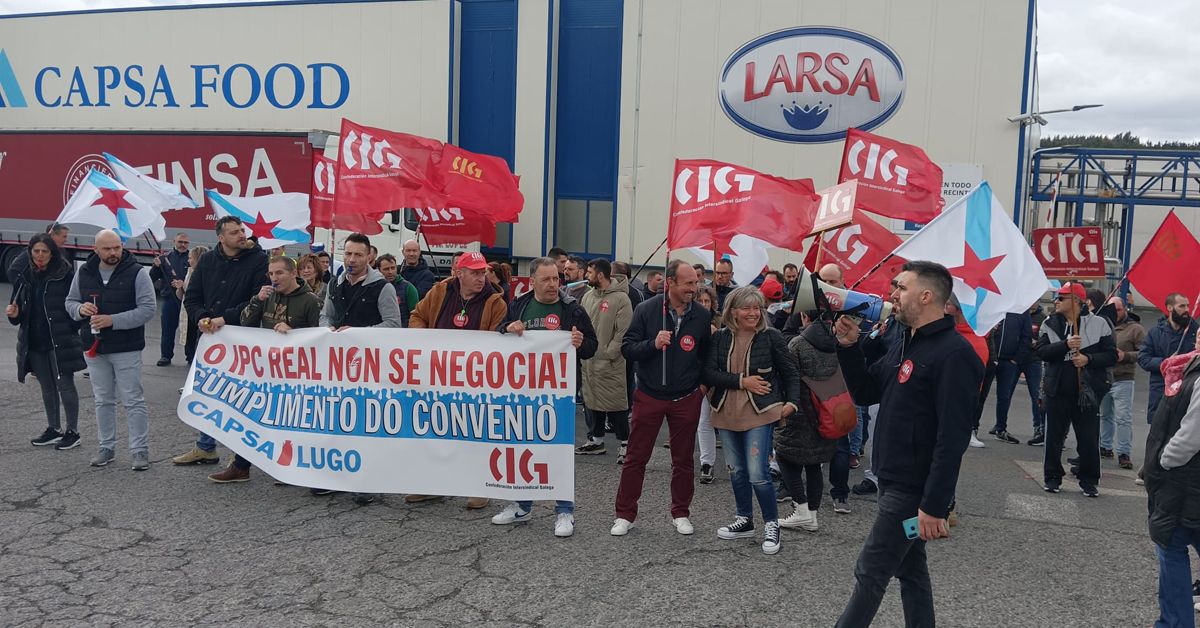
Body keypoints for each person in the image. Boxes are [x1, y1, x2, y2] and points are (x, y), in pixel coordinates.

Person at [831, 261, 984, 627]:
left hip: (912, 493)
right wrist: (849, 346)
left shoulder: (955, 355)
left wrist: (933, 506)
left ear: (927, 295)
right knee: (911, 569)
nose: (892, 295)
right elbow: (867, 391)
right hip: (892, 481)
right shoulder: (903, 342)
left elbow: (952, 439)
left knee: (871, 570)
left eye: (901, 287)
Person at [491, 257, 598, 537]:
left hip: (559, 394)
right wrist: (507, 329)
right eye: (547, 280)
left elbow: (591, 347)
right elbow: (499, 332)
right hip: (524, 391)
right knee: (522, 448)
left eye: (556, 279)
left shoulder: (572, 309)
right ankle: (522, 505)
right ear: (533, 281)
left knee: (558, 450)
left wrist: (580, 342)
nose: (553, 285)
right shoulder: (520, 304)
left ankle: (564, 510)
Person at [611, 260, 710, 537]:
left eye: (695, 282)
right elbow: (628, 348)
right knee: (636, 457)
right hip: (649, 395)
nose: (695, 287)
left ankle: (681, 513)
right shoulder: (646, 309)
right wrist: (652, 344)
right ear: (671, 283)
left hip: (686, 397)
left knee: (683, 460)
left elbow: (707, 355)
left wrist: (702, 386)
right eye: (688, 283)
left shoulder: (701, 316)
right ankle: (624, 514)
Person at [207, 255, 324, 484]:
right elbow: (245, 324)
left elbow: (319, 335)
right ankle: (241, 466)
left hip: (296, 371)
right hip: (266, 368)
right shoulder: (266, 297)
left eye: (279, 273)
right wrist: (257, 301)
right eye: (271, 274)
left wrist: (293, 331)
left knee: (291, 419)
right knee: (251, 413)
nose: (274, 278)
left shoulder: (310, 300)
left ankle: (291, 468)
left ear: (294, 274)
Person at [702, 286, 801, 555]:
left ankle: (771, 525)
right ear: (733, 311)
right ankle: (744, 519)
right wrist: (741, 381)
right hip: (726, 413)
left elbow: (790, 372)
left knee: (758, 473)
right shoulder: (720, 337)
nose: (753, 313)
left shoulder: (772, 337)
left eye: (757, 307)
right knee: (736, 470)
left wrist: (792, 403)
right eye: (746, 308)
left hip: (761, 413)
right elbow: (708, 373)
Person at [407, 251, 508, 509]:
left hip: (474, 380)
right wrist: (425, 339)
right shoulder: (440, 292)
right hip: (438, 376)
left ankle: (479, 486)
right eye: (474, 272)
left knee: (474, 431)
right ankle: (432, 485)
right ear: (459, 273)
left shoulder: (496, 302)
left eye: (482, 272)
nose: (480, 277)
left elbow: (499, 341)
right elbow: (417, 316)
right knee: (434, 430)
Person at [173, 216, 270, 466]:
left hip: (242, 337)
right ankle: (205, 447)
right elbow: (192, 298)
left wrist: (223, 318)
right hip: (209, 338)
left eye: (242, 230)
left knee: (244, 396)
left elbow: (257, 300)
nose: (241, 235)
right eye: (235, 232)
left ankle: (244, 456)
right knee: (207, 393)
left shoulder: (258, 259)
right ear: (221, 237)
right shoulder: (207, 260)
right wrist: (202, 317)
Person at [66, 229, 157, 471]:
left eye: (117, 247)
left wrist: (112, 320)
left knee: (133, 400)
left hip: (126, 347)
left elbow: (148, 309)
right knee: (102, 399)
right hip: (94, 347)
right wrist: (79, 310)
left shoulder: (137, 272)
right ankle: (106, 447)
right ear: (95, 249)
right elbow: (70, 302)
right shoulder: (84, 271)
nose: (114, 252)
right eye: (107, 248)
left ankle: (139, 451)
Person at [1036, 281, 1117, 497]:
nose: (1056, 301)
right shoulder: (1049, 322)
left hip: (1087, 392)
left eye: (1061, 297)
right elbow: (1041, 351)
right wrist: (1065, 345)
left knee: (1089, 439)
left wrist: (1087, 358)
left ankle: (1089, 480)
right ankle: (1052, 477)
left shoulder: (1100, 323)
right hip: (1057, 391)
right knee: (1053, 438)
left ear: (1076, 301)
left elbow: (1111, 355)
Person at [1143, 331, 1200, 628]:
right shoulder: (1190, 365)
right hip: (1186, 484)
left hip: (1184, 483)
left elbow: (1191, 436)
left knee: (1171, 548)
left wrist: (1163, 461)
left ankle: (1175, 623)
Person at [8, 234, 86, 450]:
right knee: (47, 386)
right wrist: (14, 314)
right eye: (36, 251)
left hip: (59, 339)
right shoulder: (26, 275)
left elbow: (76, 305)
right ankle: (53, 428)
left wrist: (71, 330)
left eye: (45, 252)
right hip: (34, 340)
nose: (40, 256)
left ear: (52, 253)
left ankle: (73, 431)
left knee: (65, 385)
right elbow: (19, 312)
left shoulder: (65, 274)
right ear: (30, 253)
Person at [777, 310, 841, 533]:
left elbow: (787, 376)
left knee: (784, 457)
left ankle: (801, 509)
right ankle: (812, 515)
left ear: (804, 316)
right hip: (827, 412)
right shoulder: (835, 342)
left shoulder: (798, 343)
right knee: (815, 464)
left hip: (800, 412)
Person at [576, 258, 633, 462]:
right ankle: (596, 440)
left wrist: (609, 352)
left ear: (600, 275)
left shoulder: (621, 299)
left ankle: (626, 443)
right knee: (592, 402)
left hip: (610, 361)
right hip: (589, 359)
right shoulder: (588, 296)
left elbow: (623, 332)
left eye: (589, 272)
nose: (586, 276)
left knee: (616, 404)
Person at [1140, 293, 1200, 424]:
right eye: (1182, 306)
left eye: (1188, 306)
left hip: (1187, 391)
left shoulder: (1196, 332)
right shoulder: (1155, 332)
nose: (1186, 310)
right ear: (1169, 307)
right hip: (1160, 392)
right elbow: (1143, 359)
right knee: (1158, 438)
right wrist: (1166, 362)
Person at [1101, 297, 1145, 469]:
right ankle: (1105, 446)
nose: (1115, 313)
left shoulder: (1135, 329)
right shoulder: (1104, 324)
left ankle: (1124, 453)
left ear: (1124, 309)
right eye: (1112, 309)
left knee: (1123, 418)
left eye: (1118, 309)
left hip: (1123, 378)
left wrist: (1125, 356)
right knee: (1105, 415)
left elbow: (1144, 353)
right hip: (1105, 376)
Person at [990, 309, 1035, 444]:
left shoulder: (1022, 310)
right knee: (981, 394)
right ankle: (973, 427)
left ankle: (1001, 428)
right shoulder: (995, 305)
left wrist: (1016, 359)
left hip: (1009, 360)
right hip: (991, 358)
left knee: (1004, 396)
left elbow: (1026, 336)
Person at [149, 233, 190, 367]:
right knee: (168, 329)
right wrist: (156, 266)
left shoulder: (193, 258)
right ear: (174, 241)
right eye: (180, 242)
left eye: (185, 242)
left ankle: (190, 356)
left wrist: (183, 284)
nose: (183, 245)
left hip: (188, 300)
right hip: (170, 299)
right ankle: (166, 356)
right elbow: (151, 279)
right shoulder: (164, 258)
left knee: (189, 330)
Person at [694, 285, 720, 483]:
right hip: (695, 378)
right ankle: (706, 463)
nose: (703, 305)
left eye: (707, 301)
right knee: (703, 421)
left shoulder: (721, 323)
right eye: (700, 301)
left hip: (717, 379)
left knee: (724, 421)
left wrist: (715, 333)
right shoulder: (689, 320)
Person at [178, 245, 208, 364]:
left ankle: (198, 357)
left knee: (199, 334)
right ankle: (190, 356)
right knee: (189, 334)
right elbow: (184, 295)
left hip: (201, 310)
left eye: (191, 258)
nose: (188, 260)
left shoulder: (206, 273)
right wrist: (180, 288)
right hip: (188, 310)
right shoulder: (189, 272)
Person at [375, 253, 419, 327]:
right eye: (386, 269)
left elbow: (415, 316)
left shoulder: (409, 288)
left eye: (393, 268)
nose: (390, 272)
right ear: (378, 270)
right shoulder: (373, 287)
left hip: (402, 334)